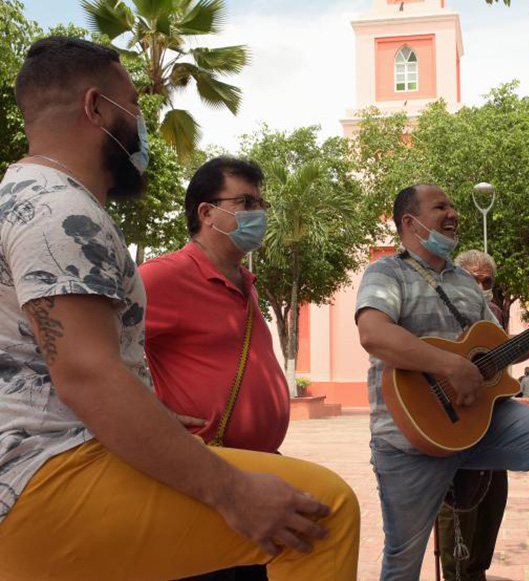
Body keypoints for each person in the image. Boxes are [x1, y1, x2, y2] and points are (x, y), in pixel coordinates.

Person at [0, 37, 359, 580]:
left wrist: (148, 413)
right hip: (51, 472)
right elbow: (87, 375)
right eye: (133, 105)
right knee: (323, 511)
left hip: (50, 467)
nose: (141, 122)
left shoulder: (31, 194)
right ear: (96, 107)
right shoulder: (59, 209)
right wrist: (232, 492)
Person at [355, 184, 529, 580]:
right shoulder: (385, 273)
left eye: (454, 206)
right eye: (440, 206)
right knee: (403, 559)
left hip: (476, 424)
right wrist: (450, 366)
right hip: (409, 436)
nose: (453, 213)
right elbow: (374, 334)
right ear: (410, 222)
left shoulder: (463, 281)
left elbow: (497, 351)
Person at [140, 156, 290, 581]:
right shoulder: (163, 277)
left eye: (261, 204)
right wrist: (147, 411)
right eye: (246, 202)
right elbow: (89, 350)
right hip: (203, 478)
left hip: (256, 474)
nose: (258, 214)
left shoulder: (245, 282)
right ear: (207, 212)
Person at [435, 249, 508, 581]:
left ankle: (477, 572)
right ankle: (457, 574)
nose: (480, 287)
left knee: (492, 504)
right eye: (472, 279)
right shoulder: (436, 309)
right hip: (452, 421)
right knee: (457, 506)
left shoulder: (495, 314)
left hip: (491, 419)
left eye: (486, 282)